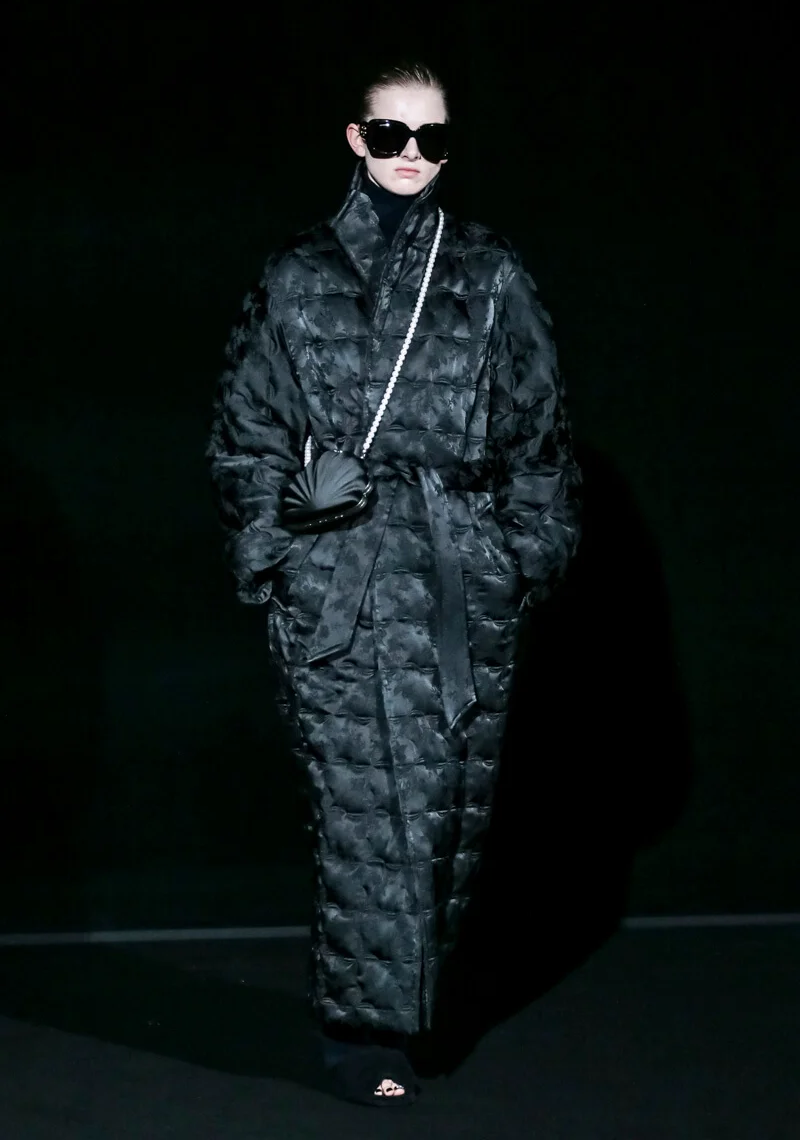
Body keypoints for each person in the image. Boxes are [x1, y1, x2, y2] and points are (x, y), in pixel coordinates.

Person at [206, 61, 582, 1106]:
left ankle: (408, 1016)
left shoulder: (489, 270)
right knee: (360, 815)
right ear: (354, 137)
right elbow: (246, 432)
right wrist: (279, 555)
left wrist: (518, 561)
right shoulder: (296, 275)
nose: (410, 153)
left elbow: (540, 436)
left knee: (446, 816)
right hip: (339, 580)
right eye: (389, 133)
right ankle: (361, 1038)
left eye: (431, 138)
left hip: (459, 580)